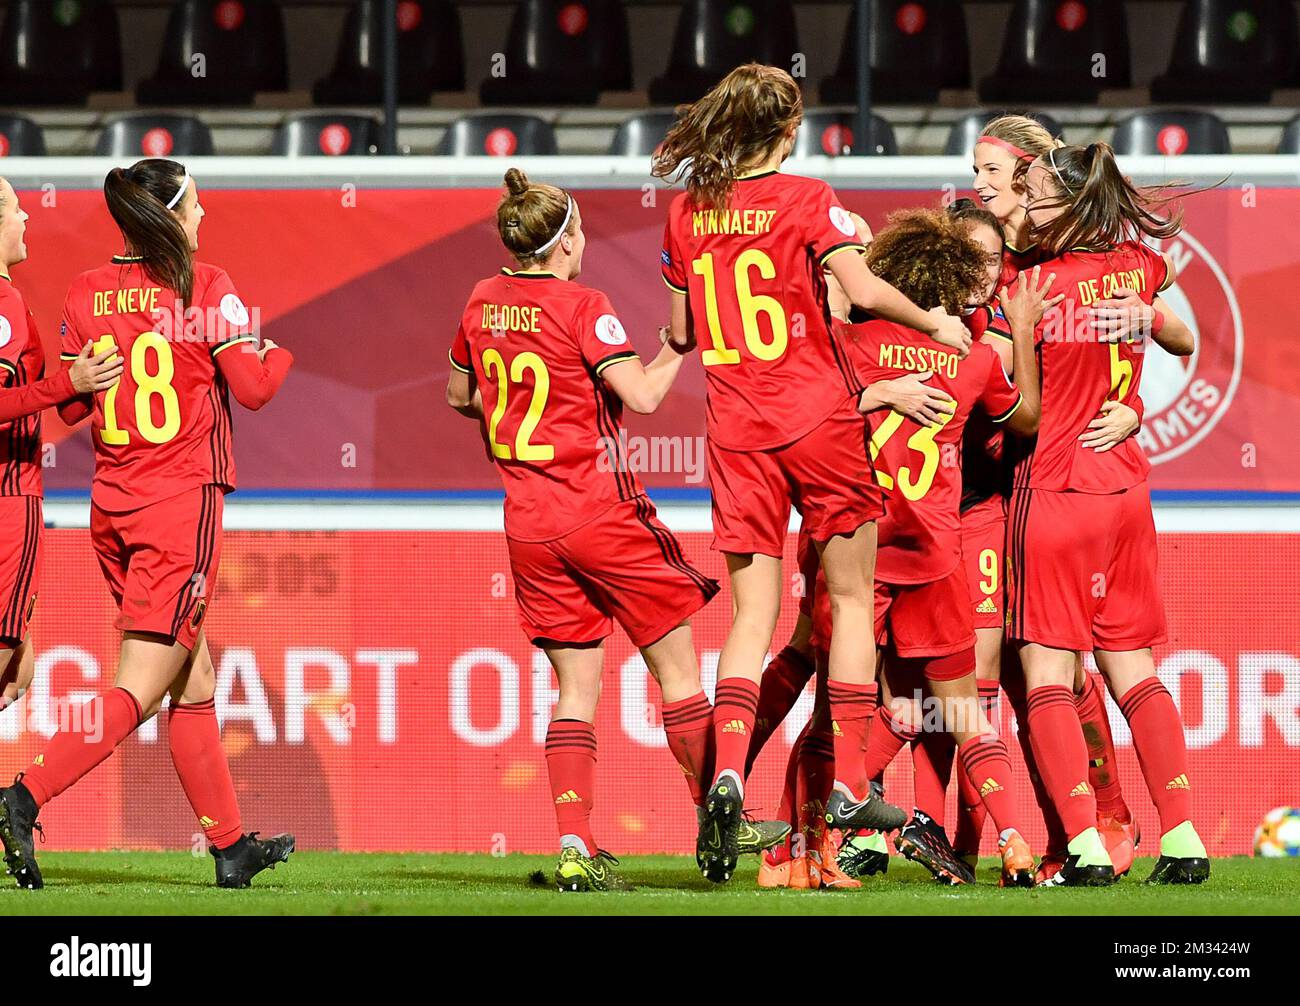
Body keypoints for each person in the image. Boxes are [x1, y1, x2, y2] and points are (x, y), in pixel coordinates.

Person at [652, 63, 971, 883]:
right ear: (788, 129)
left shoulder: (689, 211)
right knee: (855, 597)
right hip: (819, 418)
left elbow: (682, 330)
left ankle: (726, 773)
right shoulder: (806, 197)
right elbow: (860, 286)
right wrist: (933, 316)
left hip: (735, 432)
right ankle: (850, 791)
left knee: (750, 619)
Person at [447, 169, 787, 893]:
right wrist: (675, 344)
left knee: (575, 689)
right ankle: (716, 814)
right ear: (566, 239)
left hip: (529, 526)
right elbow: (645, 395)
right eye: (581, 233)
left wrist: (517, 410)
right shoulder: (583, 304)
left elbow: (460, 395)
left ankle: (575, 846)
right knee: (678, 674)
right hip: (600, 512)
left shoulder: (480, 300)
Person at [0, 159, 295, 890]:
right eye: (196, 204)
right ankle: (24, 795)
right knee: (139, 688)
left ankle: (229, 850)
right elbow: (254, 390)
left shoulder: (84, 293)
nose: (204, 215)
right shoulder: (205, 285)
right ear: (167, 215)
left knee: (189, 678)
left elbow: (72, 407)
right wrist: (277, 352)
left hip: (114, 508)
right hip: (179, 505)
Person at [1008, 141, 1208, 886]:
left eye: (1032, 193)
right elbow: (1181, 336)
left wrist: (1022, 331)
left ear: (1068, 205)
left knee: (1046, 675)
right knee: (1135, 672)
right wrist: (1135, 384)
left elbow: (1024, 417)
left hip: (1057, 489)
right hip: (1126, 492)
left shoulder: (1038, 286)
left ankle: (1086, 847)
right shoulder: (1136, 266)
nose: (1024, 205)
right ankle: (1184, 838)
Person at [0, 177, 122, 717]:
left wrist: (78, 386)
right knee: (8, 658)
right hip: (8, 500)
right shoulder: (3, 304)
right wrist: (69, 384)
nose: (27, 219)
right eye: (17, 209)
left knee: (17, 670)